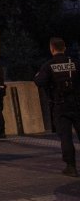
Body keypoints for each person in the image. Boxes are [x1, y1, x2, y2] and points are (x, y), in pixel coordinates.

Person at [34, 37, 80, 177]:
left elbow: (39, 81)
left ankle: (71, 167)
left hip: (60, 105)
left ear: (52, 48)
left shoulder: (49, 65)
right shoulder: (75, 63)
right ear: (64, 48)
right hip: (78, 104)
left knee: (65, 137)